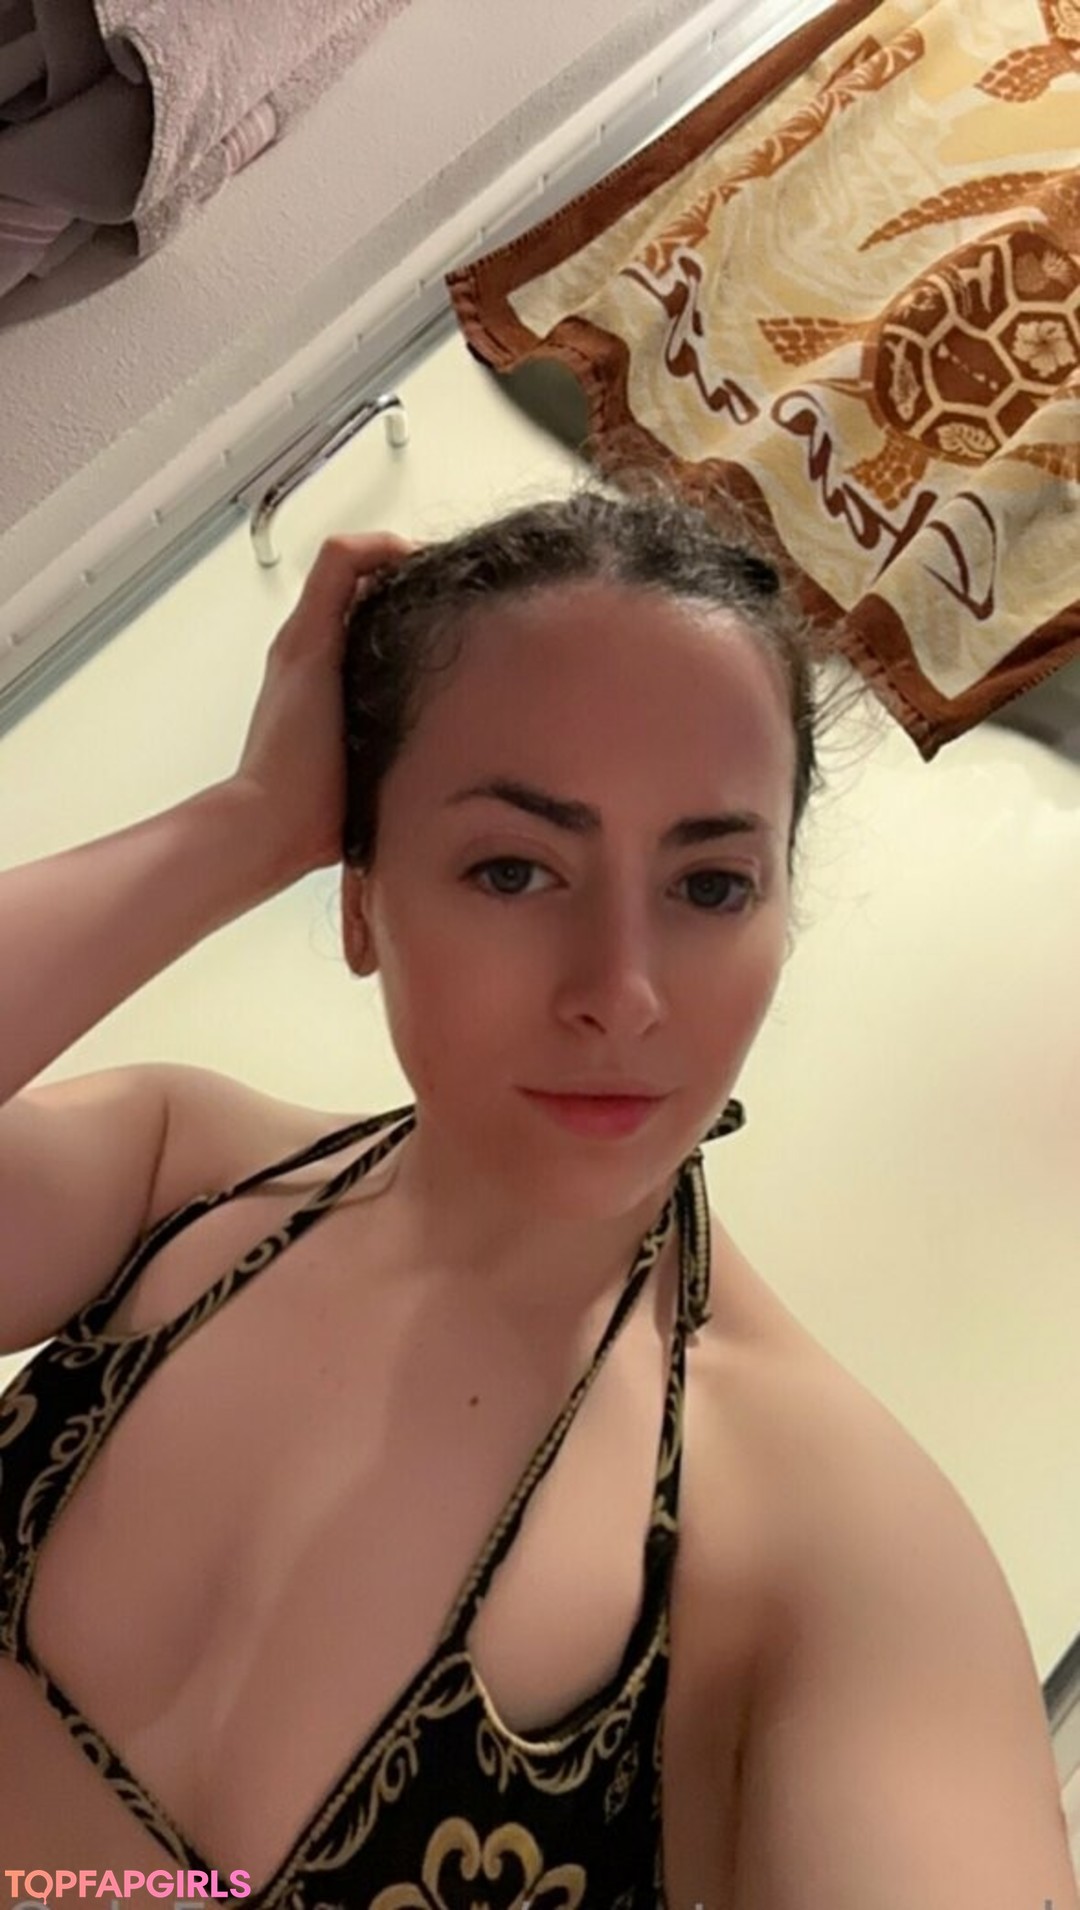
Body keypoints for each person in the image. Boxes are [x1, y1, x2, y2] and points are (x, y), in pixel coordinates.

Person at [0, 487, 1074, 1910]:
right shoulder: (177, 1178)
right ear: (363, 901)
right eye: (514, 868)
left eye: (710, 885)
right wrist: (245, 822)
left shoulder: (834, 1555)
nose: (620, 991)